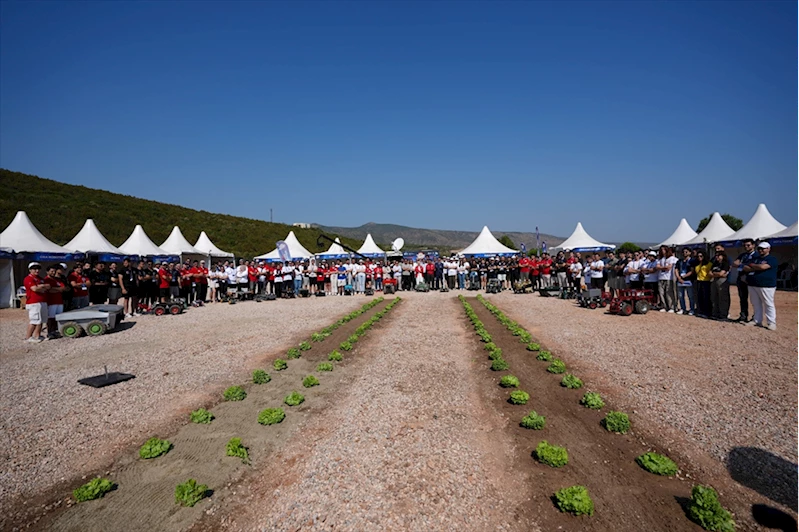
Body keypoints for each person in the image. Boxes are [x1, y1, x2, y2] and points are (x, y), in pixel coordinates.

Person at [742, 241, 778, 330]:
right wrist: (756, 266)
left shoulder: (771, 259)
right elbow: (745, 267)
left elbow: (763, 267)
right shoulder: (755, 258)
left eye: (763, 248)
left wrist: (753, 266)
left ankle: (771, 322)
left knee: (768, 304)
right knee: (755, 303)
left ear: (768, 249)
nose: (760, 250)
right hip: (753, 284)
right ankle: (757, 320)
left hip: (766, 285)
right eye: (759, 248)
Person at [23, 262, 49, 343]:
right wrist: (41, 287)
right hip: (34, 302)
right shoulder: (29, 278)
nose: (37, 270)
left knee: (41, 320)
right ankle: (28, 337)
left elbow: (47, 286)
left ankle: (37, 335)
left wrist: (41, 287)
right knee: (34, 320)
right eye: (34, 269)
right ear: (30, 270)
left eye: (38, 269)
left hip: (42, 300)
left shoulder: (40, 278)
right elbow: (34, 289)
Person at [732, 239, 755, 322]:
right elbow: (734, 263)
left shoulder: (756, 255)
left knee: (754, 299)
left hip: (752, 279)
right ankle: (743, 316)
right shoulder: (743, 255)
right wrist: (745, 265)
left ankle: (755, 317)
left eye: (748, 245)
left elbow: (753, 267)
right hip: (741, 278)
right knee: (742, 298)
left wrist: (742, 265)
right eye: (745, 245)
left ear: (753, 245)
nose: (746, 247)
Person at [43, 264, 67, 339]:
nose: (53, 272)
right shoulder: (46, 280)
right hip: (51, 301)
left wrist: (55, 289)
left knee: (59, 317)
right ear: (47, 272)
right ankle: (50, 332)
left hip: (59, 301)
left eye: (54, 271)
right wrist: (58, 289)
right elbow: (49, 290)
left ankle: (56, 331)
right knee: (51, 318)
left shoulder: (57, 279)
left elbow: (63, 288)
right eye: (51, 271)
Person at [656, 246, 679, 313]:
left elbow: (669, 268)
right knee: (661, 293)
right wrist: (664, 267)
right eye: (661, 250)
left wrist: (661, 267)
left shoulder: (672, 259)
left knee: (669, 293)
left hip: (669, 278)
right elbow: (657, 267)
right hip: (661, 277)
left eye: (664, 249)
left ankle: (671, 306)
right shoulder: (661, 259)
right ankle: (663, 306)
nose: (662, 251)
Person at [710, 249, 730, 320]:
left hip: (722, 281)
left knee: (723, 298)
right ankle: (715, 313)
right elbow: (710, 273)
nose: (717, 257)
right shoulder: (715, 263)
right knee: (714, 298)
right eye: (716, 256)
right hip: (715, 281)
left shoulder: (725, 263)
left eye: (719, 256)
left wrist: (715, 274)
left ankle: (723, 314)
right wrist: (717, 274)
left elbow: (722, 273)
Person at [674, 247, 695, 315]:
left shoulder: (692, 261)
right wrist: (679, 278)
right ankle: (683, 308)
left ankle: (692, 309)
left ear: (689, 252)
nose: (684, 253)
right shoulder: (679, 261)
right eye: (683, 252)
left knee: (690, 296)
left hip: (689, 280)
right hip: (680, 280)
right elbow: (676, 269)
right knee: (681, 296)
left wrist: (684, 276)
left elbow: (692, 271)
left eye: (686, 252)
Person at [694, 251, 712, 318]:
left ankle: (707, 312)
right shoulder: (698, 264)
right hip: (699, 281)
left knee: (706, 297)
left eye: (701, 256)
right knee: (699, 297)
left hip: (706, 281)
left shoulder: (709, 264)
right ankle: (700, 310)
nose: (699, 258)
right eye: (698, 256)